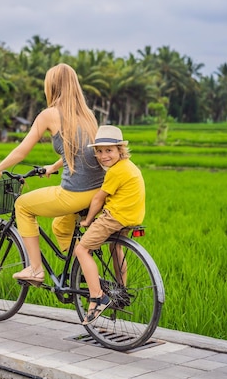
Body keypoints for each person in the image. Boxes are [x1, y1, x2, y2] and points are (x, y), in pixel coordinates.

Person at [0, 63, 105, 285]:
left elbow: (21, 150)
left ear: (52, 87)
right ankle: (83, 272)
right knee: (60, 226)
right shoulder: (89, 116)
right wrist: (55, 166)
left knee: (22, 205)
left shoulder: (49, 115)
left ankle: (35, 270)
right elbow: (80, 152)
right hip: (98, 192)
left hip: (74, 193)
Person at [74, 125, 145, 325]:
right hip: (131, 217)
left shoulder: (116, 171)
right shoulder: (128, 166)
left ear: (120, 151)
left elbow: (98, 198)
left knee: (81, 249)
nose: (103, 156)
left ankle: (97, 298)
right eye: (99, 151)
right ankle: (121, 289)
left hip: (115, 217)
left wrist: (88, 220)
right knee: (115, 247)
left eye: (109, 150)